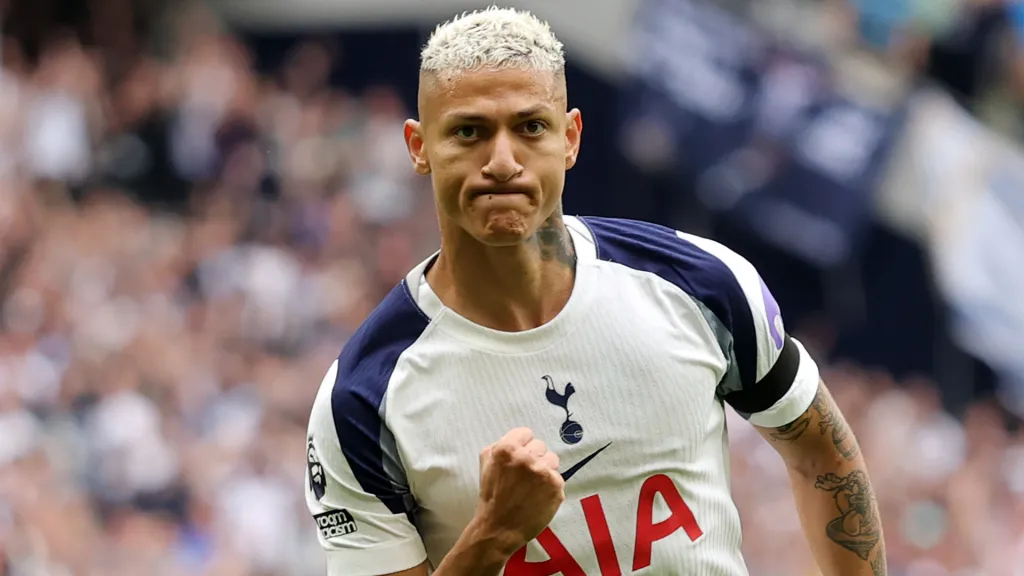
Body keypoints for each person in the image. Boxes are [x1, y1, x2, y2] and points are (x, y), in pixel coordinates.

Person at [304, 7, 887, 576]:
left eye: (530, 127)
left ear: (571, 138)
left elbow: (824, 458)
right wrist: (494, 536)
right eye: (468, 132)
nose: (502, 162)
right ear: (419, 147)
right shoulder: (361, 401)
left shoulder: (701, 283)